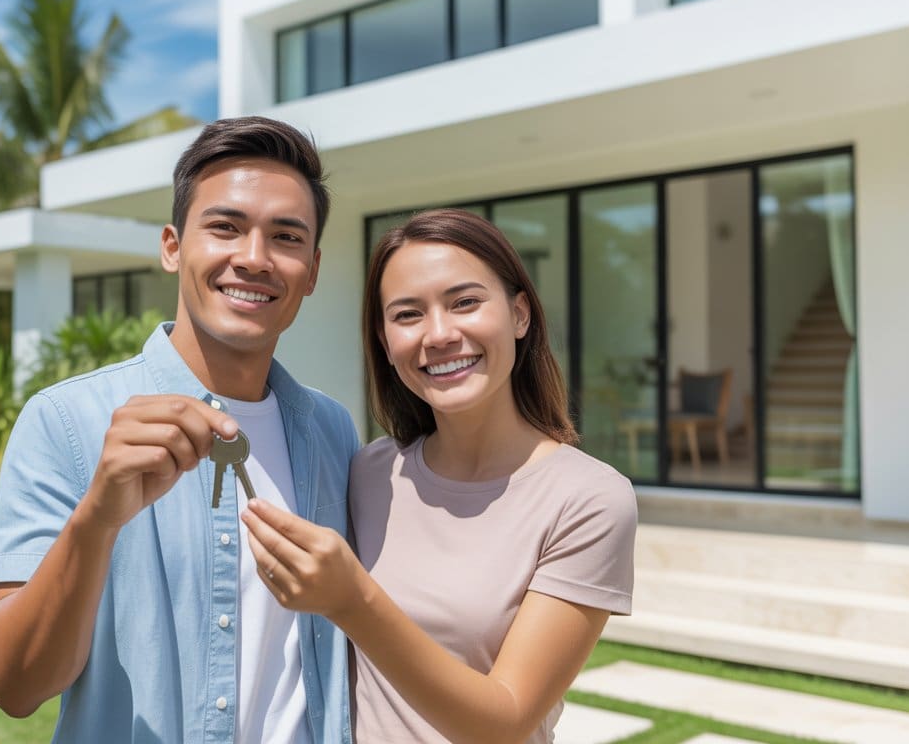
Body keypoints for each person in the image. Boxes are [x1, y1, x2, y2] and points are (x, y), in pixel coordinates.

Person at [0, 116, 361, 743]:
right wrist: (98, 517)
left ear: (312, 271)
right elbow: (12, 686)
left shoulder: (333, 431)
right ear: (173, 246)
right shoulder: (67, 422)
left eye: (285, 237)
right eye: (225, 227)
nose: (254, 258)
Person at [242, 208, 637, 744]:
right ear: (385, 341)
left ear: (520, 315)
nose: (440, 334)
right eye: (407, 314)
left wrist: (352, 600)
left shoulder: (589, 499)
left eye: (465, 302)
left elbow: (506, 722)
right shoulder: (369, 471)